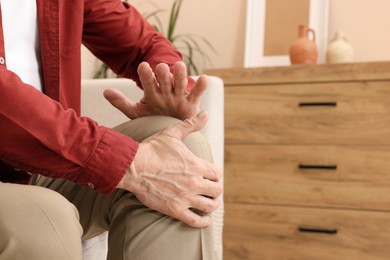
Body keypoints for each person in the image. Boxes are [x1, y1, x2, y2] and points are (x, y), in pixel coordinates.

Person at [0, 0, 223, 259]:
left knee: (180, 150)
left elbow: (145, 44)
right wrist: (128, 163)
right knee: (43, 222)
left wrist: (169, 88)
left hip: (42, 168)